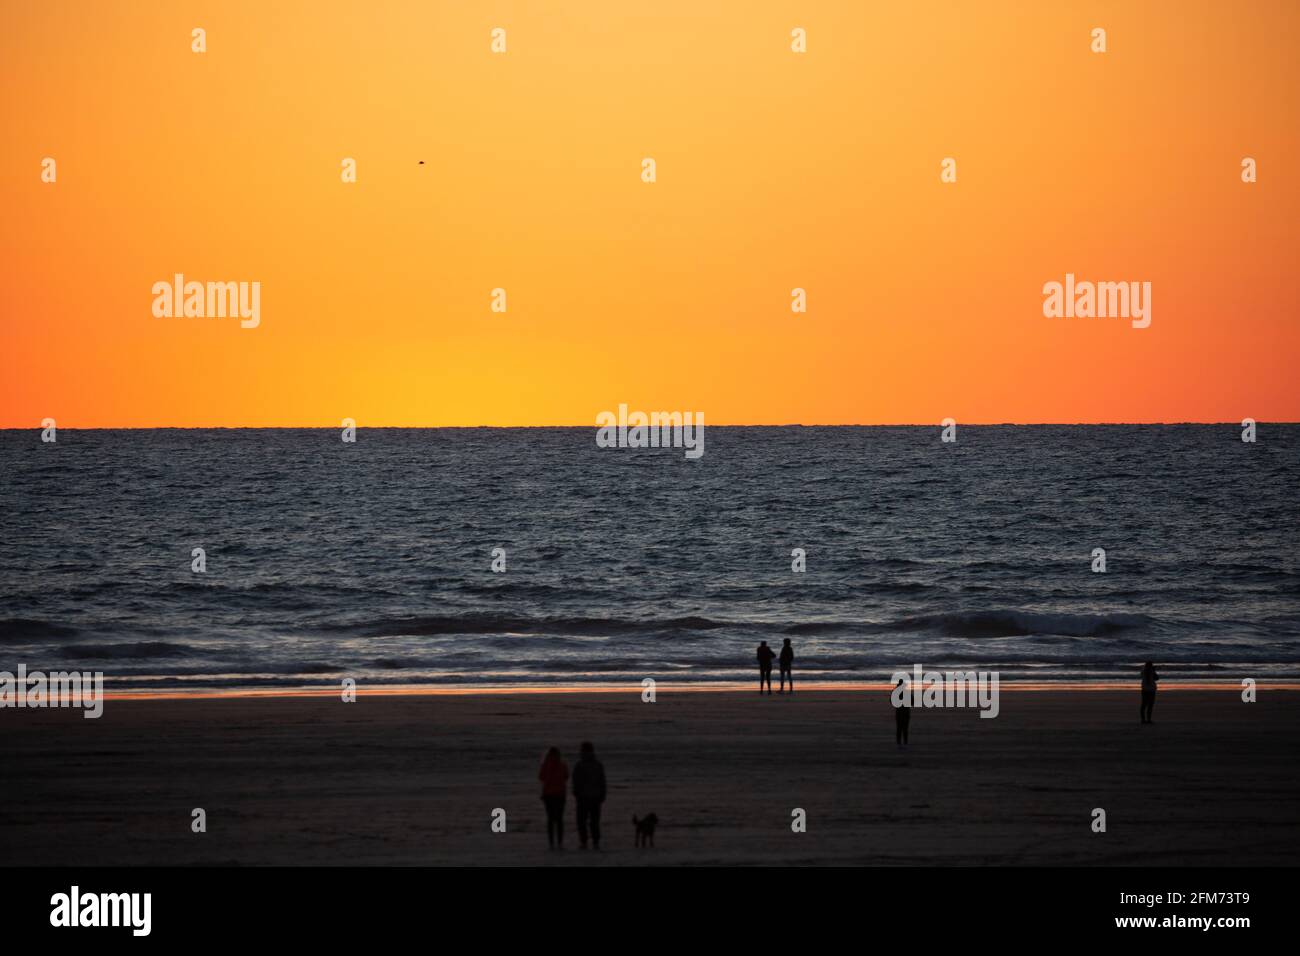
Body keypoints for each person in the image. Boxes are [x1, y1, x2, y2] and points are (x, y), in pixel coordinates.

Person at [572, 741, 606, 850]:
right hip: (594, 796)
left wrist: (576, 792)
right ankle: (594, 842)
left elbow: (575, 781)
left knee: (582, 821)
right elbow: (602, 781)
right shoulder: (597, 764)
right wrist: (602, 794)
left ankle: (585, 842)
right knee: (594, 821)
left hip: (584, 797)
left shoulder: (580, 765)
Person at [538, 747, 568, 849]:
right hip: (560, 794)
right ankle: (560, 842)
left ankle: (551, 842)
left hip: (549, 795)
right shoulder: (562, 765)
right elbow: (566, 776)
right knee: (559, 819)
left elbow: (541, 777)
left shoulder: (546, 765)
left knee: (550, 819)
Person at [894, 677, 911, 747]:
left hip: (899, 712)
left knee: (899, 728)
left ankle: (899, 742)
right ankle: (905, 741)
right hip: (906, 712)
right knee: (905, 728)